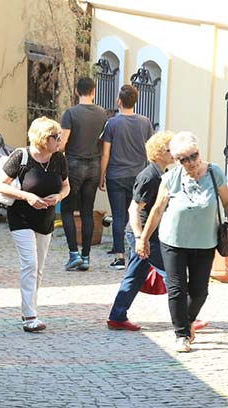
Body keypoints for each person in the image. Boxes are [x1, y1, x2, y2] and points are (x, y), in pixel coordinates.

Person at [137, 132, 228, 353]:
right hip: (173, 241)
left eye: (194, 156)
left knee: (200, 291)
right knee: (176, 288)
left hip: (204, 242)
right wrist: (143, 239)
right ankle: (181, 334)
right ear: (176, 160)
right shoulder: (170, 178)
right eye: (185, 159)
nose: (192, 162)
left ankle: (189, 320)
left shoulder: (214, 173)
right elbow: (156, 211)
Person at [0, 117, 70, 332]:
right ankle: (30, 316)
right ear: (44, 138)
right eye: (57, 137)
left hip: (45, 219)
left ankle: (30, 308)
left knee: (38, 268)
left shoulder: (58, 159)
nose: (60, 141)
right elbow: (0, 185)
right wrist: (26, 196)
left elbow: (66, 186)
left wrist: (58, 197)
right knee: (30, 263)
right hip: (21, 217)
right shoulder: (21, 156)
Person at [107, 131, 174, 331]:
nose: (174, 153)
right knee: (172, 274)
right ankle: (186, 317)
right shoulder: (150, 176)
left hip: (150, 234)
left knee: (135, 276)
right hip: (145, 234)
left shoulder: (163, 174)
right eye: (170, 150)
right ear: (159, 152)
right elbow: (133, 209)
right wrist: (139, 238)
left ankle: (117, 316)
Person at [99, 84, 154, 269]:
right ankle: (135, 252)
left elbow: (105, 153)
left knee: (118, 215)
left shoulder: (112, 123)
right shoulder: (145, 122)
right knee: (136, 213)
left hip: (115, 175)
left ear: (119, 101)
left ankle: (119, 256)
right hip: (138, 176)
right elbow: (150, 149)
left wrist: (102, 176)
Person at [59, 77, 108, 271]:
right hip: (94, 165)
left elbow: (62, 144)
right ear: (93, 91)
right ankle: (86, 257)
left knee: (67, 210)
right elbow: (104, 144)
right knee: (88, 211)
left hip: (73, 165)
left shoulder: (70, 113)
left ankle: (73, 254)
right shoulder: (102, 114)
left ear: (77, 92)